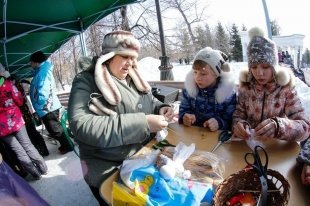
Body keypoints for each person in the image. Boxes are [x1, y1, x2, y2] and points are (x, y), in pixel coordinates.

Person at [67, 30, 174, 205]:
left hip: (139, 158)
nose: (130, 63)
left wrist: (162, 108)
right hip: (107, 168)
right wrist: (143, 123)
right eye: (125, 56)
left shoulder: (132, 77)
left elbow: (149, 99)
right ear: (108, 56)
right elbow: (81, 125)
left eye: (133, 58)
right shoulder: (86, 81)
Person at [232, 27, 310, 141]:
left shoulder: (285, 89)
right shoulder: (245, 88)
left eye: (265, 67)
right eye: (254, 67)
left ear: (274, 67)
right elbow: (238, 116)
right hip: (250, 149)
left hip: (277, 150)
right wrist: (238, 126)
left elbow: (305, 128)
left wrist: (280, 127)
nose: (259, 73)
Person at [0, 63, 47, 180]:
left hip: (2, 127)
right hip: (15, 121)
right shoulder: (7, 84)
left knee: (18, 151)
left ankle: (35, 174)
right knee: (27, 145)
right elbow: (20, 100)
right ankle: (43, 168)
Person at [178, 47, 236, 131]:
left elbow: (231, 121)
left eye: (203, 74)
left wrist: (219, 123)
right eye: (195, 72)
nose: (197, 78)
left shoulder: (228, 95)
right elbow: (183, 111)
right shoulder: (189, 91)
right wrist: (185, 117)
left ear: (216, 74)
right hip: (192, 135)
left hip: (217, 139)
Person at [29, 51, 72, 155]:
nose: (30, 64)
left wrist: (40, 102)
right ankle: (67, 143)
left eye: (31, 62)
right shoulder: (41, 71)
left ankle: (68, 146)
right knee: (55, 128)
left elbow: (43, 89)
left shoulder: (42, 72)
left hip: (47, 107)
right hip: (47, 107)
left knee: (55, 129)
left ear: (36, 62)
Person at [16, 80, 49, 156]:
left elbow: (28, 86)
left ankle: (42, 151)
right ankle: (41, 151)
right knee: (31, 134)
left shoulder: (17, 85)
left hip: (23, 115)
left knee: (32, 134)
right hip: (24, 115)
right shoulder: (17, 85)